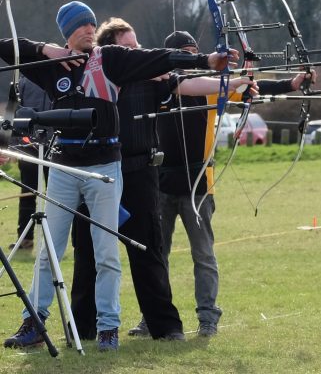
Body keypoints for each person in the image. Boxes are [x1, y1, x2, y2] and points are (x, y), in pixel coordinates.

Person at [0, 1, 234, 352]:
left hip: (105, 168)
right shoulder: (52, 66)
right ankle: (34, 322)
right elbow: (8, 47)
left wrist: (204, 62)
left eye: (91, 24)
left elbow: (158, 58)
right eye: (80, 26)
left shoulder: (109, 57)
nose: (88, 30)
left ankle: (109, 328)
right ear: (67, 32)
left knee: (106, 251)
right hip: (65, 168)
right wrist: (46, 49)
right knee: (50, 252)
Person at [69, 18, 251, 342]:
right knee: (88, 252)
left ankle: (165, 327)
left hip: (139, 172)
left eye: (137, 46)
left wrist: (235, 81)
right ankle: (83, 328)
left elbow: (192, 84)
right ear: (110, 52)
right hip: (97, 171)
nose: (136, 52)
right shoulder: (94, 78)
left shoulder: (152, 78)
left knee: (149, 250)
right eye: (128, 48)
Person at [150, 30, 313, 338]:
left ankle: (208, 317)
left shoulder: (210, 89)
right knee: (158, 255)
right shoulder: (156, 88)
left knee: (204, 255)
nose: (191, 64)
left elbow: (251, 89)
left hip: (199, 186)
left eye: (193, 55)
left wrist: (291, 83)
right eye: (183, 56)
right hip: (160, 184)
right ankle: (154, 316)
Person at [9, 77, 52, 251]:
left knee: (57, 197)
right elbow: (12, 113)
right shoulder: (22, 82)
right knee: (27, 192)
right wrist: (11, 145)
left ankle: (57, 242)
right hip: (28, 146)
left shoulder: (57, 78)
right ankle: (25, 240)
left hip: (55, 145)